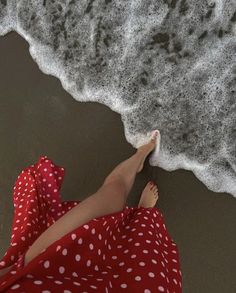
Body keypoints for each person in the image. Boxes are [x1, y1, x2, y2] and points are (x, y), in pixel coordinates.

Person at [0, 129, 182, 292]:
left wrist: (15, 268)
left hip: (31, 274)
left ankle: (140, 155)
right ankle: (141, 216)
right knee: (131, 259)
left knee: (112, 194)